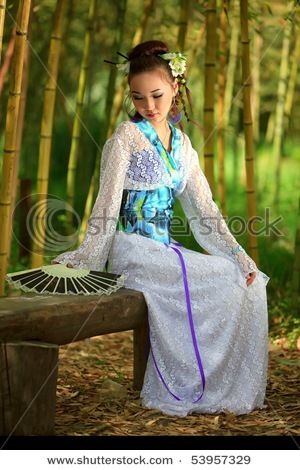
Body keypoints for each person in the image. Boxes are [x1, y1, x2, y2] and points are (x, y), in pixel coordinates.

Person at [52, 40, 269, 417]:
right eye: (138, 98)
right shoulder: (125, 138)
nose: (149, 107)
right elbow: (105, 206)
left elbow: (206, 211)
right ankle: (183, 384)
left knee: (238, 278)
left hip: (163, 249)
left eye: (156, 95)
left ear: (175, 88)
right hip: (131, 249)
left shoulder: (184, 147)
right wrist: (86, 257)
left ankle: (212, 382)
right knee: (208, 275)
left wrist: (239, 256)